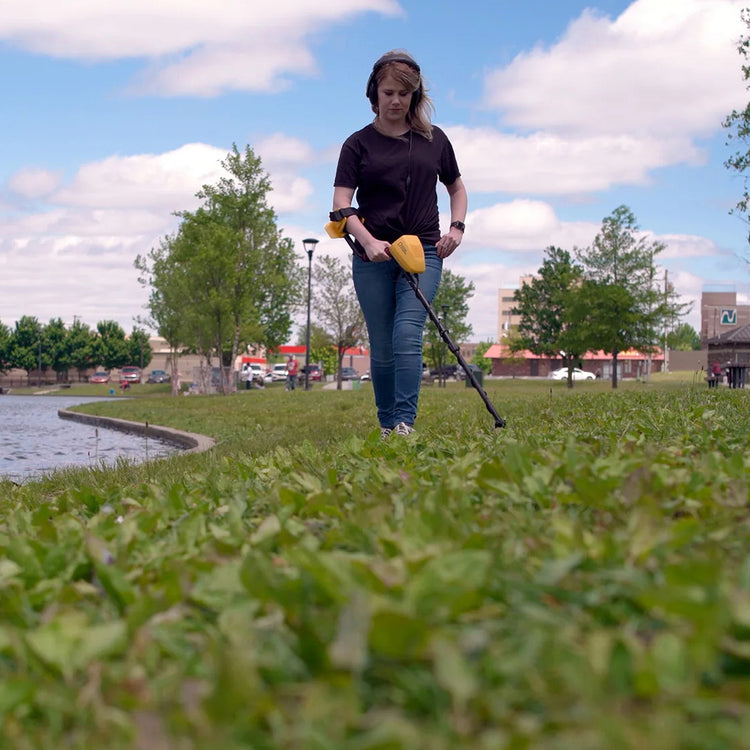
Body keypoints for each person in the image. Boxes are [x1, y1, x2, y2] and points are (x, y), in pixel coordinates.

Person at [332, 50, 467, 439]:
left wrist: (456, 229)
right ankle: (387, 424)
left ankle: (405, 422)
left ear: (415, 95)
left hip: (423, 250)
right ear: (374, 94)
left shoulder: (433, 140)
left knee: (407, 333)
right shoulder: (357, 145)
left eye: (404, 94)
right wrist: (368, 240)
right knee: (383, 343)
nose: (396, 101)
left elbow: (456, 188)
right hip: (373, 254)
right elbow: (341, 202)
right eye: (388, 92)